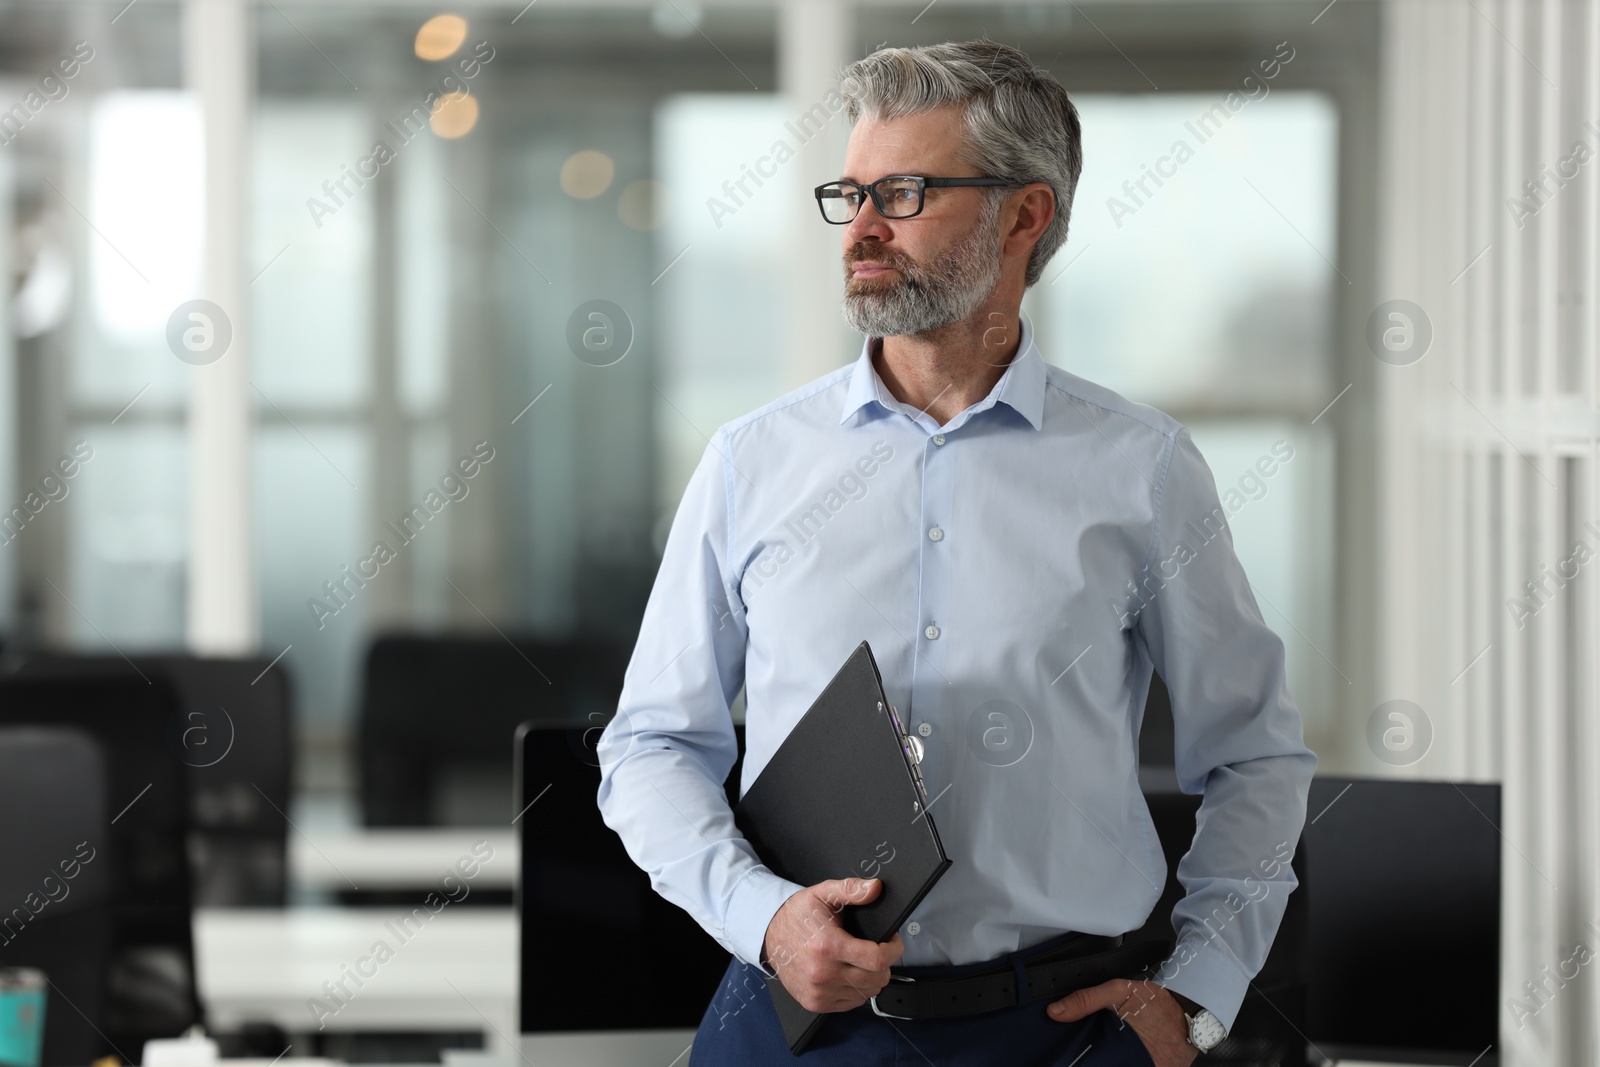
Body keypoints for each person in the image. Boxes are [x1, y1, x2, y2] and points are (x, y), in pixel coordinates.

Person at [596, 39, 1316, 1066]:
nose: (863, 229)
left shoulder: (1140, 468)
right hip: (788, 1025)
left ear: (1025, 215)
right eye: (850, 193)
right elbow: (650, 747)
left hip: (1058, 1032)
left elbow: (1254, 755)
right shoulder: (749, 462)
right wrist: (763, 916)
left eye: (904, 191)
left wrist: (1197, 994)